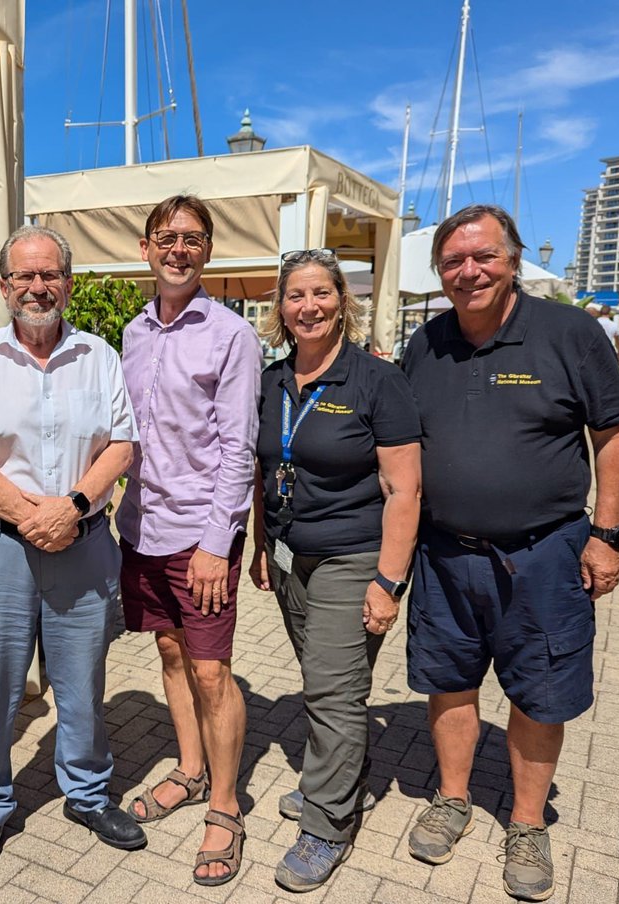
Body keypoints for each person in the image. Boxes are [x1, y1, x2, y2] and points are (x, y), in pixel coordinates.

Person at [402, 204, 619, 902]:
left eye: (484, 257)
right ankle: (452, 798)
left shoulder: (569, 332)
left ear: (511, 259)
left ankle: (527, 823)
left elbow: (615, 434)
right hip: (443, 555)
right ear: (439, 271)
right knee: (449, 680)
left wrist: (607, 534)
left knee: (541, 689)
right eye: (453, 261)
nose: (468, 271)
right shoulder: (426, 342)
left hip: (546, 554)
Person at [0, 225, 144, 881]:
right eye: (23, 276)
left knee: (82, 682)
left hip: (80, 544)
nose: (36, 286)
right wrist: (33, 515)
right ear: (3, 287)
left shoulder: (99, 356)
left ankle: (86, 794)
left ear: (67, 284)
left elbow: (121, 445)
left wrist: (72, 508)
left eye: (48, 274)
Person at [248, 248, 421, 892]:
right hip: (292, 554)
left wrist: (387, 581)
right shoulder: (271, 381)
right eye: (295, 296)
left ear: (342, 302)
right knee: (330, 683)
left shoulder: (377, 380)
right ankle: (344, 778)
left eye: (321, 293)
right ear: (280, 308)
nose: (308, 307)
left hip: (354, 557)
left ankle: (325, 825)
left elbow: (405, 490)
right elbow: (264, 470)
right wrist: (260, 544)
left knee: (331, 690)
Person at [117, 195, 261, 887]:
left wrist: (216, 540)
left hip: (201, 536)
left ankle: (227, 806)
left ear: (208, 252)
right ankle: (191, 770)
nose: (178, 248)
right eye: (166, 237)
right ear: (145, 248)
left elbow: (239, 448)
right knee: (171, 654)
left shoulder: (231, 334)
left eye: (192, 238)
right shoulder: (133, 331)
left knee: (211, 670)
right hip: (141, 528)